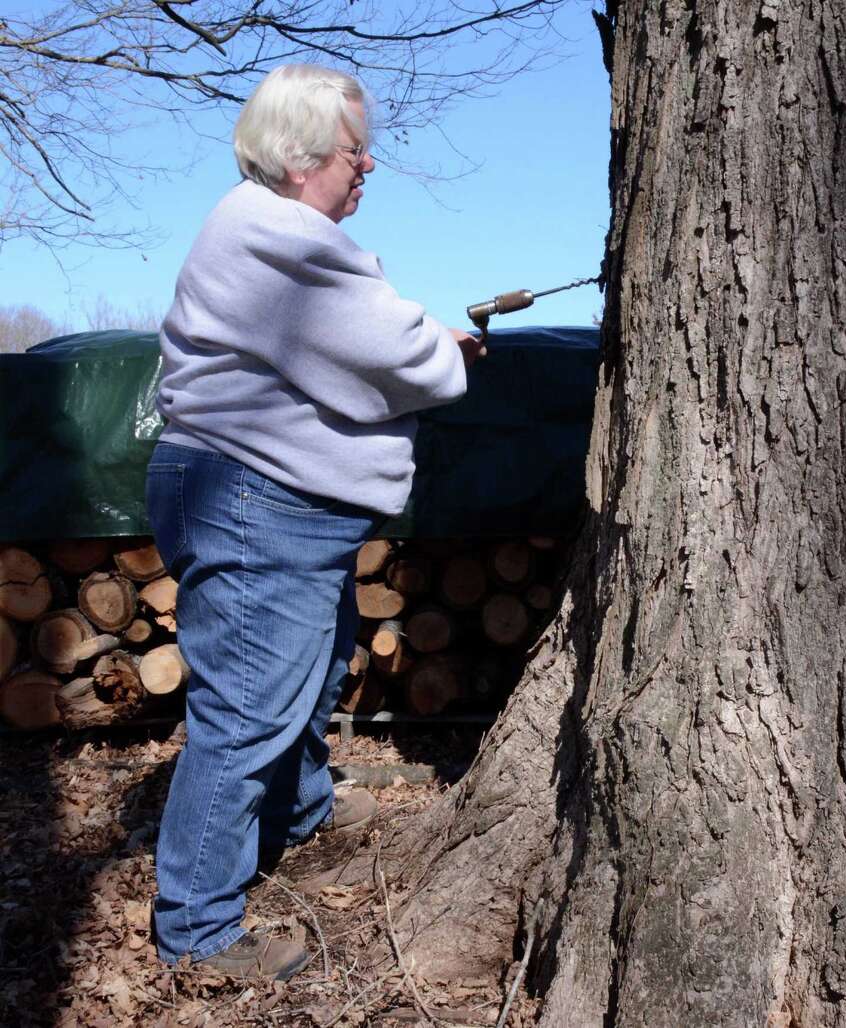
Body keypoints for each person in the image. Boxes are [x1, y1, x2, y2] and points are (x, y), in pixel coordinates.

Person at [145, 64, 483, 980]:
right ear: (299, 160)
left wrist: (415, 346)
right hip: (259, 497)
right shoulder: (280, 235)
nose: (368, 165)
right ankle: (197, 933)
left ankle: (301, 815)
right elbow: (394, 351)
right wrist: (437, 351)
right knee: (251, 708)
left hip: (259, 494)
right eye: (354, 150)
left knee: (306, 670)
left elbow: (346, 346)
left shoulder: (263, 228)